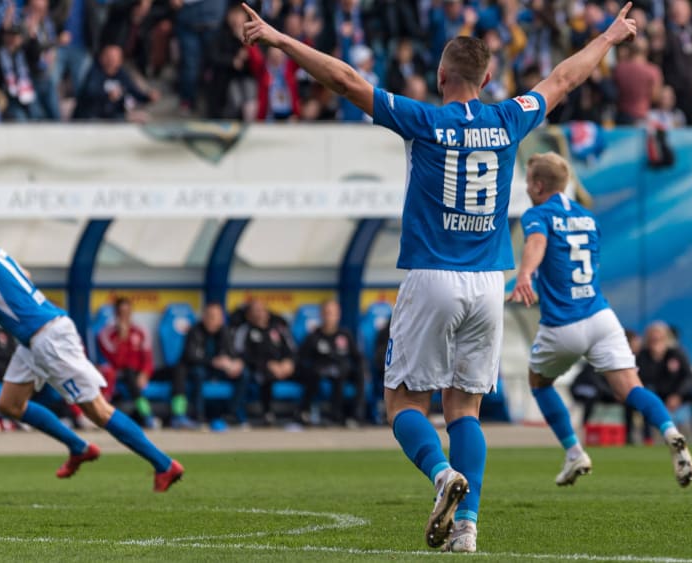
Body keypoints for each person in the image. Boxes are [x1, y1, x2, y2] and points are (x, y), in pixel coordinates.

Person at [240, 1, 637, 553]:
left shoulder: (425, 119)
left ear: (441, 76)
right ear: (489, 77)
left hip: (432, 276)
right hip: (487, 284)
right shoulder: (509, 119)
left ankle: (441, 475)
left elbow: (347, 79)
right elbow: (565, 76)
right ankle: (468, 526)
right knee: (465, 409)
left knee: (402, 403)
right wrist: (612, 35)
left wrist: (281, 39)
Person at [0, 209, 183, 492]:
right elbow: (24, 274)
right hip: (33, 340)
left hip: (49, 339)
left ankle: (164, 464)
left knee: (98, 411)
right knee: (9, 405)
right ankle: (78, 447)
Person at [512, 153, 692, 491]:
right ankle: (670, 432)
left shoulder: (537, 215)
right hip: (600, 316)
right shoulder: (587, 217)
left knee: (539, 382)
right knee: (631, 388)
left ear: (538, 185)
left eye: (527, 182)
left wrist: (525, 273)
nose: (526, 188)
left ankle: (573, 451)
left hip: (563, 325)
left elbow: (538, 242)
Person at [297, 299, 366, 428]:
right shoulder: (314, 336)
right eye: (327, 313)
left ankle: (357, 416)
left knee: (358, 374)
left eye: (332, 313)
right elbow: (301, 358)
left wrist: (363, 368)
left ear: (338, 315)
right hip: (321, 371)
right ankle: (308, 412)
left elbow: (357, 357)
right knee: (320, 375)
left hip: (343, 369)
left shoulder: (344, 334)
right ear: (321, 315)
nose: (330, 317)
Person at [177, 302, 247, 429]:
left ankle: (232, 414)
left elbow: (233, 353)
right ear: (204, 316)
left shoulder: (225, 331)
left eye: (216, 316)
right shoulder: (194, 331)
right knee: (198, 373)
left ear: (221, 318)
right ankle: (199, 415)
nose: (212, 319)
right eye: (209, 315)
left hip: (220, 369)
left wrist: (236, 363)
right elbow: (190, 356)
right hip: (201, 368)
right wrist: (213, 361)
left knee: (243, 374)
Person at [96, 297, 158, 429]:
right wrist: (122, 338)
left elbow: (148, 357)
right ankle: (146, 415)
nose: (125, 316)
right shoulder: (106, 334)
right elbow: (117, 362)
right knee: (128, 372)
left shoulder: (140, 331)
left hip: (137, 372)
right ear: (116, 314)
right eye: (121, 313)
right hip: (118, 372)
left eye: (127, 312)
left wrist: (145, 374)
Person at [233, 299, 296, 426]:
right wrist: (267, 364)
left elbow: (292, 350)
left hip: (282, 366)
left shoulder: (279, 329)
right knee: (264, 376)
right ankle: (267, 414)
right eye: (255, 311)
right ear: (248, 315)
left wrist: (288, 362)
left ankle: (305, 413)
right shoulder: (245, 330)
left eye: (262, 310)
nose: (260, 313)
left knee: (310, 372)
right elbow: (241, 354)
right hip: (259, 369)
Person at [635, 321, 692, 444]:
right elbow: (642, 378)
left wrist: (678, 395)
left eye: (659, 337)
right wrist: (656, 359)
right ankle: (647, 439)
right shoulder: (643, 355)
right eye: (653, 338)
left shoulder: (677, 353)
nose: (656, 340)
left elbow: (689, 376)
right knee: (646, 396)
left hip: (675, 391)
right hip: (655, 391)